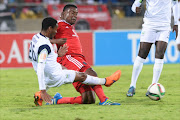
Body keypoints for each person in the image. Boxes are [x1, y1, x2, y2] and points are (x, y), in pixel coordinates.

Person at [29, 17, 121, 106]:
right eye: (55, 29)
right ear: (50, 28)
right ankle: (105, 81)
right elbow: (41, 66)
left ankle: (39, 96)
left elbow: (38, 59)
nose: (56, 32)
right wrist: (43, 90)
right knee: (82, 76)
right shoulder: (45, 46)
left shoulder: (35, 38)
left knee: (64, 69)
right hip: (55, 76)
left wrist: (57, 55)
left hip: (47, 75)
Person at [53, 4, 120, 105]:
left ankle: (57, 100)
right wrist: (55, 54)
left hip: (75, 59)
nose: (75, 16)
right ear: (62, 14)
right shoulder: (58, 25)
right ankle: (104, 99)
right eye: (72, 13)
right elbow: (44, 38)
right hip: (70, 58)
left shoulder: (69, 26)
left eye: (76, 14)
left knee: (88, 99)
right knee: (91, 73)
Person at [126, 0, 179, 97]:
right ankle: (132, 85)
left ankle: (153, 86)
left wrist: (176, 23)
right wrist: (135, 9)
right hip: (149, 25)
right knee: (142, 54)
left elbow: (176, 4)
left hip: (164, 26)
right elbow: (135, 5)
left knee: (160, 54)